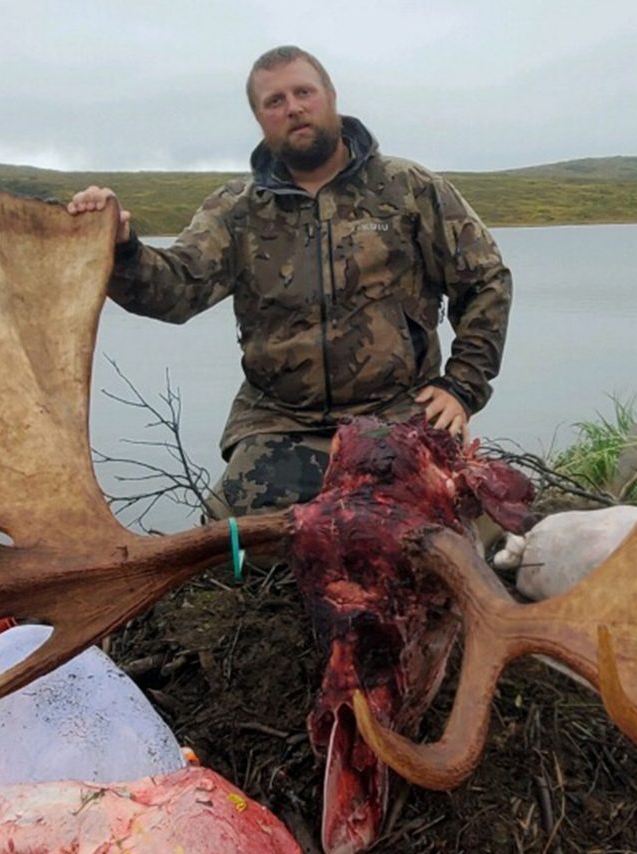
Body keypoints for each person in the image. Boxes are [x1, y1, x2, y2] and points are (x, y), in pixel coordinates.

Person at [68, 46, 512, 519]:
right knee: (231, 542)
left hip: (398, 412)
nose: (293, 108)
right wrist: (121, 249)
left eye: (304, 92)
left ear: (331, 96)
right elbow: (175, 290)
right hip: (281, 423)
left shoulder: (409, 189)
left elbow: (486, 280)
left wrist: (462, 387)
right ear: (259, 118)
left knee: (448, 524)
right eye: (273, 101)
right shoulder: (236, 209)